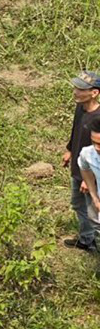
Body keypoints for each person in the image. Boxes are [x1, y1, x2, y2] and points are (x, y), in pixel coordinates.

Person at [63, 71, 100, 251]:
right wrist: (70, 149)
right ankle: (87, 240)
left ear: (94, 93)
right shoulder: (80, 108)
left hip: (91, 175)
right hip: (78, 168)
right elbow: (75, 129)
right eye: (76, 87)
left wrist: (89, 179)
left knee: (94, 213)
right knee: (78, 205)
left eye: (81, 89)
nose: (76, 92)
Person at [77, 115, 100, 237]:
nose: (97, 148)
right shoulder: (88, 154)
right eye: (94, 142)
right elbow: (84, 169)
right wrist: (95, 198)